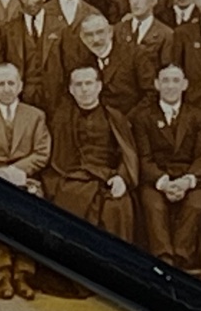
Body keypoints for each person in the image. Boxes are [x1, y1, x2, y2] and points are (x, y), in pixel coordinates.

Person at [0, 63, 51, 299]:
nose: (6, 89)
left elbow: (42, 152)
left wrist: (15, 171)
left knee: (30, 208)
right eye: (1, 84)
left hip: (25, 179)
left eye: (11, 83)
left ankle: (22, 274)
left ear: (20, 86)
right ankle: (3, 273)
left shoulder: (36, 116)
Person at [129, 64, 201, 269]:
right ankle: (164, 258)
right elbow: (143, 158)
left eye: (176, 81)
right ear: (157, 84)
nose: (170, 86)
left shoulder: (198, 115)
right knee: (154, 207)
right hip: (156, 179)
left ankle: (181, 259)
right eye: (165, 81)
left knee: (195, 205)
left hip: (190, 178)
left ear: (185, 85)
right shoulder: (143, 117)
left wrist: (187, 181)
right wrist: (163, 182)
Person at [43, 65, 138, 242]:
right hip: (73, 177)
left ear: (99, 86)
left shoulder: (114, 117)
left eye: (89, 83)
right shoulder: (61, 119)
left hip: (108, 178)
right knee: (69, 201)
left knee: (117, 207)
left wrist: (121, 177)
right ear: (71, 90)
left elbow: (127, 154)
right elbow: (58, 159)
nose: (84, 89)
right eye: (78, 85)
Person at [52, 13, 151, 115]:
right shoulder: (80, 61)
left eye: (100, 32)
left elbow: (150, 94)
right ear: (82, 38)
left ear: (110, 32)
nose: (96, 39)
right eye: (89, 35)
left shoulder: (135, 55)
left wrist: (125, 121)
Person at [2, 0, 60, 109]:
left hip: (54, 96)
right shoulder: (8, 30)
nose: (29, 2)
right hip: (22, 97)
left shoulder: (60, 27)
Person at [114, 0, 173, 81]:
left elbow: (166, 69)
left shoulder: (165, 34)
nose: (135, 2)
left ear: (153, 1)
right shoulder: (118, 30)